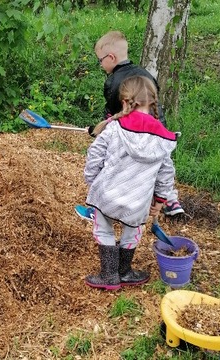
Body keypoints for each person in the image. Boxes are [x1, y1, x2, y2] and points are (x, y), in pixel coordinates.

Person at [83, 75, 178, 290]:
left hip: (106, 195)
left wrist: (92, 179)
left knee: (104, 229)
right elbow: (166, 172)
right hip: (138, 201)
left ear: (125, 102)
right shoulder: (162, 138)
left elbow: (95, 153)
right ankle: (125, 271)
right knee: (132, 230)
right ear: (153, 103)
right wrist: (160, 199)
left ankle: (109, 275)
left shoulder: (114, 128)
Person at [78, 30, 183, 218]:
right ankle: (169, 199)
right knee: (158, 162)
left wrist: (99, 130)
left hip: (133, 128)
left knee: (121, 162)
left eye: (100, 60)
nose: (100, 65)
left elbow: (113, 114)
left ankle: (103, 206)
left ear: (111, 57)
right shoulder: (144, 74)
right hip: (157, 127)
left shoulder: (113, 81)